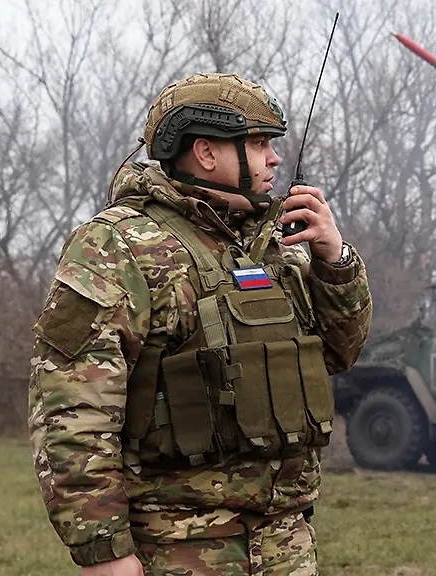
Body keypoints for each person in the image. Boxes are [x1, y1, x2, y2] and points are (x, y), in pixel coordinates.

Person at [28, 72, 372, 575]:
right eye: (258, 144)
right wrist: (104, 552)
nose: (276, 158)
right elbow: (72, 411)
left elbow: (340, 354)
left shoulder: (274, 243)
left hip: (287, 542)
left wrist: (334, 260)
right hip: (175, 547)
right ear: (207, 152)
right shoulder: (117, 247)